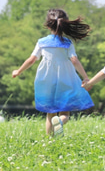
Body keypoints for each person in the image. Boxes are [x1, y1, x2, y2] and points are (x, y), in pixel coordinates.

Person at [12, 9, 94, 137]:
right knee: (65, 113)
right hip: (65, 79)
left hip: (46, 79)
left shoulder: (42, 42)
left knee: (50, 113)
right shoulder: (67, 43)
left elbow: (32, 59)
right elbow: (74, 60)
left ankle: (50, 140)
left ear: (48, 24)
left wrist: (18, 71)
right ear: (64, 23)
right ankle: (60, 122)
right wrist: (85, 77)